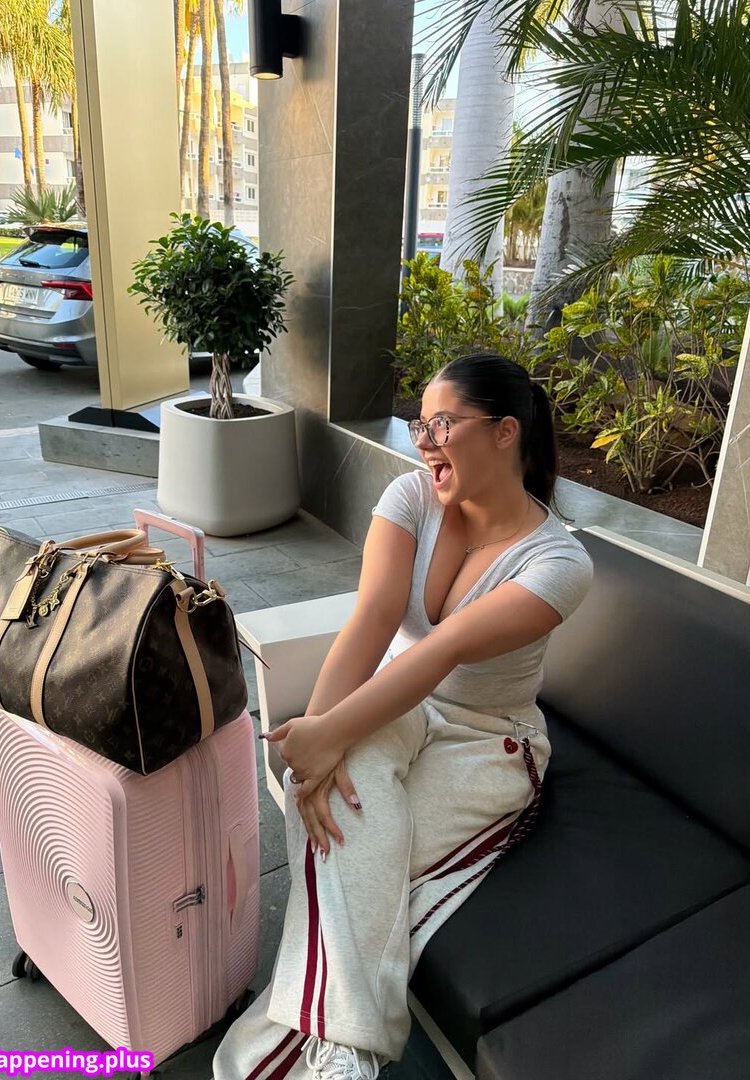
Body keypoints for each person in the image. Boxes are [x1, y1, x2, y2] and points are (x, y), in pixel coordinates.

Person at [212, 353, 594, 1079]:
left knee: (366, 870)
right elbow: (372, 621)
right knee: (335, 821)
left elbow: (446, 648)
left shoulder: (559, 562)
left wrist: (329, 734)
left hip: (489, 741)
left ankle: (313, 1056)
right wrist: (315, 744)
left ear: (505, 432)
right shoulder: (412, 497)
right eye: (419, 424)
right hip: (398, 701)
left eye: (441, 424)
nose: (423, 441)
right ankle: (349, 1052)